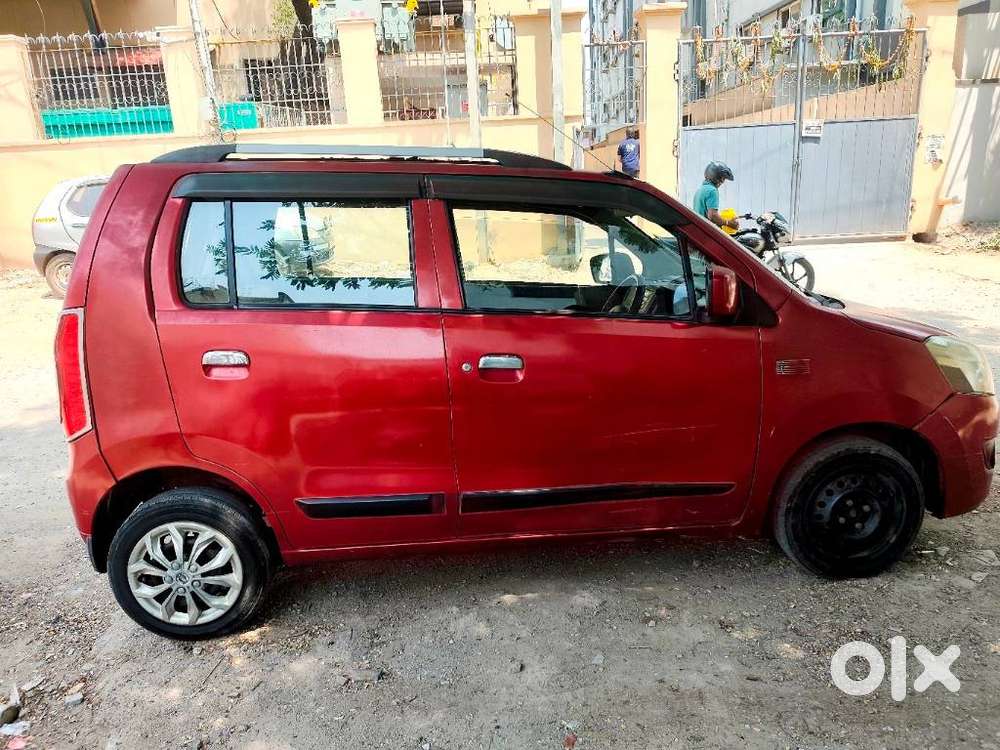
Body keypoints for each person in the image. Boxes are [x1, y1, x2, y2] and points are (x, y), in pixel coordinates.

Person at [692, 161, 740, 231]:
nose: (723, 182)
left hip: (699, 230)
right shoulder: (712, 191)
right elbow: (712, 216)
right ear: (716, 177)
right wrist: (729, 223)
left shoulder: (700, 189)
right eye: (722, 178)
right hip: (706, 233)